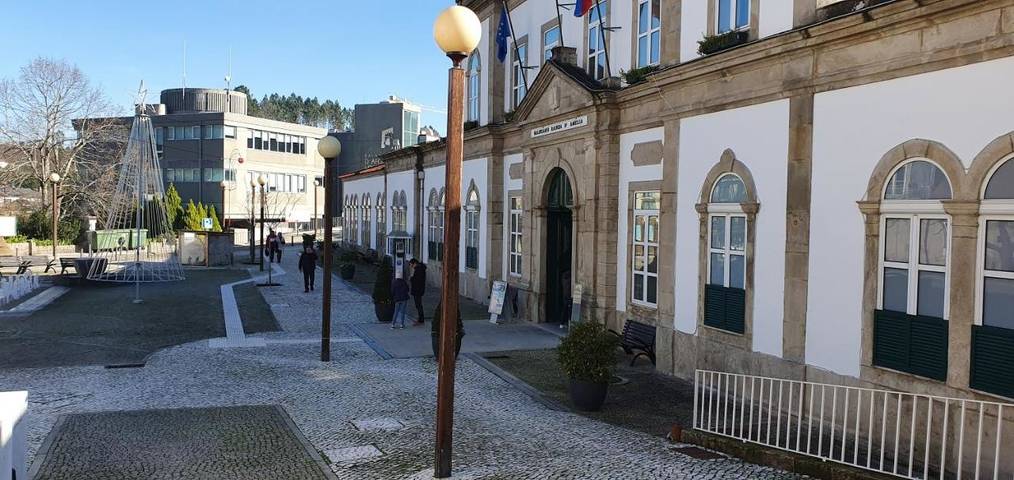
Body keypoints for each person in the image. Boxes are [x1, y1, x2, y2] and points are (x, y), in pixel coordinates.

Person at [409, 258, 427, 326]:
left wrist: (411, 278)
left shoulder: (418, 270)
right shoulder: (420, 269)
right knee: (418, 305)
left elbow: (416, 280)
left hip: (417, 290)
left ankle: (421, 320)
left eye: (411, 264)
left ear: (414, 263)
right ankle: (420, 318)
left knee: (418, 305)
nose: (411, 266)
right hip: (419, 289)